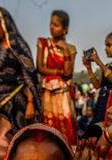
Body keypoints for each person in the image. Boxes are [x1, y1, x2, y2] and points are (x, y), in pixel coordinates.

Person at [0, 5, 41, 136]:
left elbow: (30, 76)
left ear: (5, 23)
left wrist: (31, 103)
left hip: (18, 104)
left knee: (22, 142)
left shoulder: (17, 45)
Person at [37, 10, 77, 145]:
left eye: (56, 25)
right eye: (51, 24)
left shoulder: (70, 48)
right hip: (47, 90)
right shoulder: (43, 43)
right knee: (48, 122)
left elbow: (68, 72)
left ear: (65, 30)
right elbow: (40, 68)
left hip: (62, 92)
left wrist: (64, 50)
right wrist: (58, 72)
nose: (52, 27)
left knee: (65, 123)